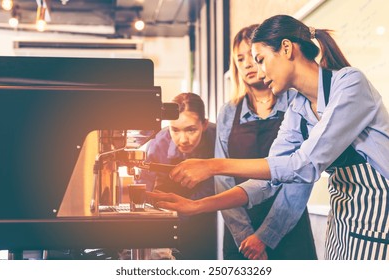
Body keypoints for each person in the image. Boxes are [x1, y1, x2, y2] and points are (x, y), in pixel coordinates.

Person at [148, 15, 389, 260]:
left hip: (379, 213)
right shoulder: (298, 107)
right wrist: (197, 205)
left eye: (261, 60)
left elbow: (304, 166)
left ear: (286, 48)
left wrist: (212, 166)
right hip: (343, 216)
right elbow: (267, 180)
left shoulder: (350, 84)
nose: (259, 72)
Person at [215, 24, 316, 260]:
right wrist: (245, 237)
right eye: (239, 59)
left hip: (290, 229)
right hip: (241, 238)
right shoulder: (228, 112)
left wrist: (266, 235)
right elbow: (222, 179)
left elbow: (300, 174)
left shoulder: (296, 101)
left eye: (253, 56)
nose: (247, 64)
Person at [141, 92, 217, 260]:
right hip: (169, 210)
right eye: (175, 130)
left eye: (191, 130)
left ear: (204, 124)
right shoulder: (158, 143)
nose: (182, 139)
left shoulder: (218, 139)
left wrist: (190, 208)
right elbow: (144, 185)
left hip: (206, 211)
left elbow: (219, 185)